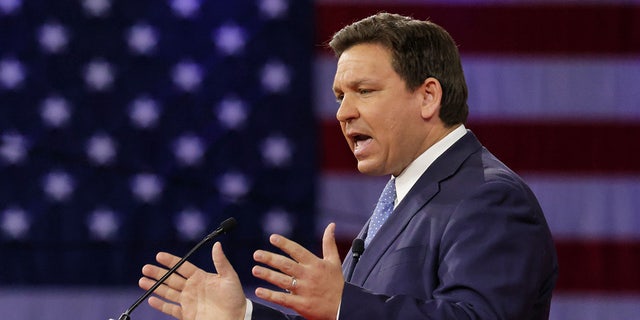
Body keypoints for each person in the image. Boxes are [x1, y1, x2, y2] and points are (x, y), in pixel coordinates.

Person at [139, 12, 559, 320]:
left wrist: (342, 303)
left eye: (364, 90)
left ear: (428, 96)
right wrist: (244, 316)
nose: (343, 112)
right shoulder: (404, 197)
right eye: (341, 95)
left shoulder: (489, 197)